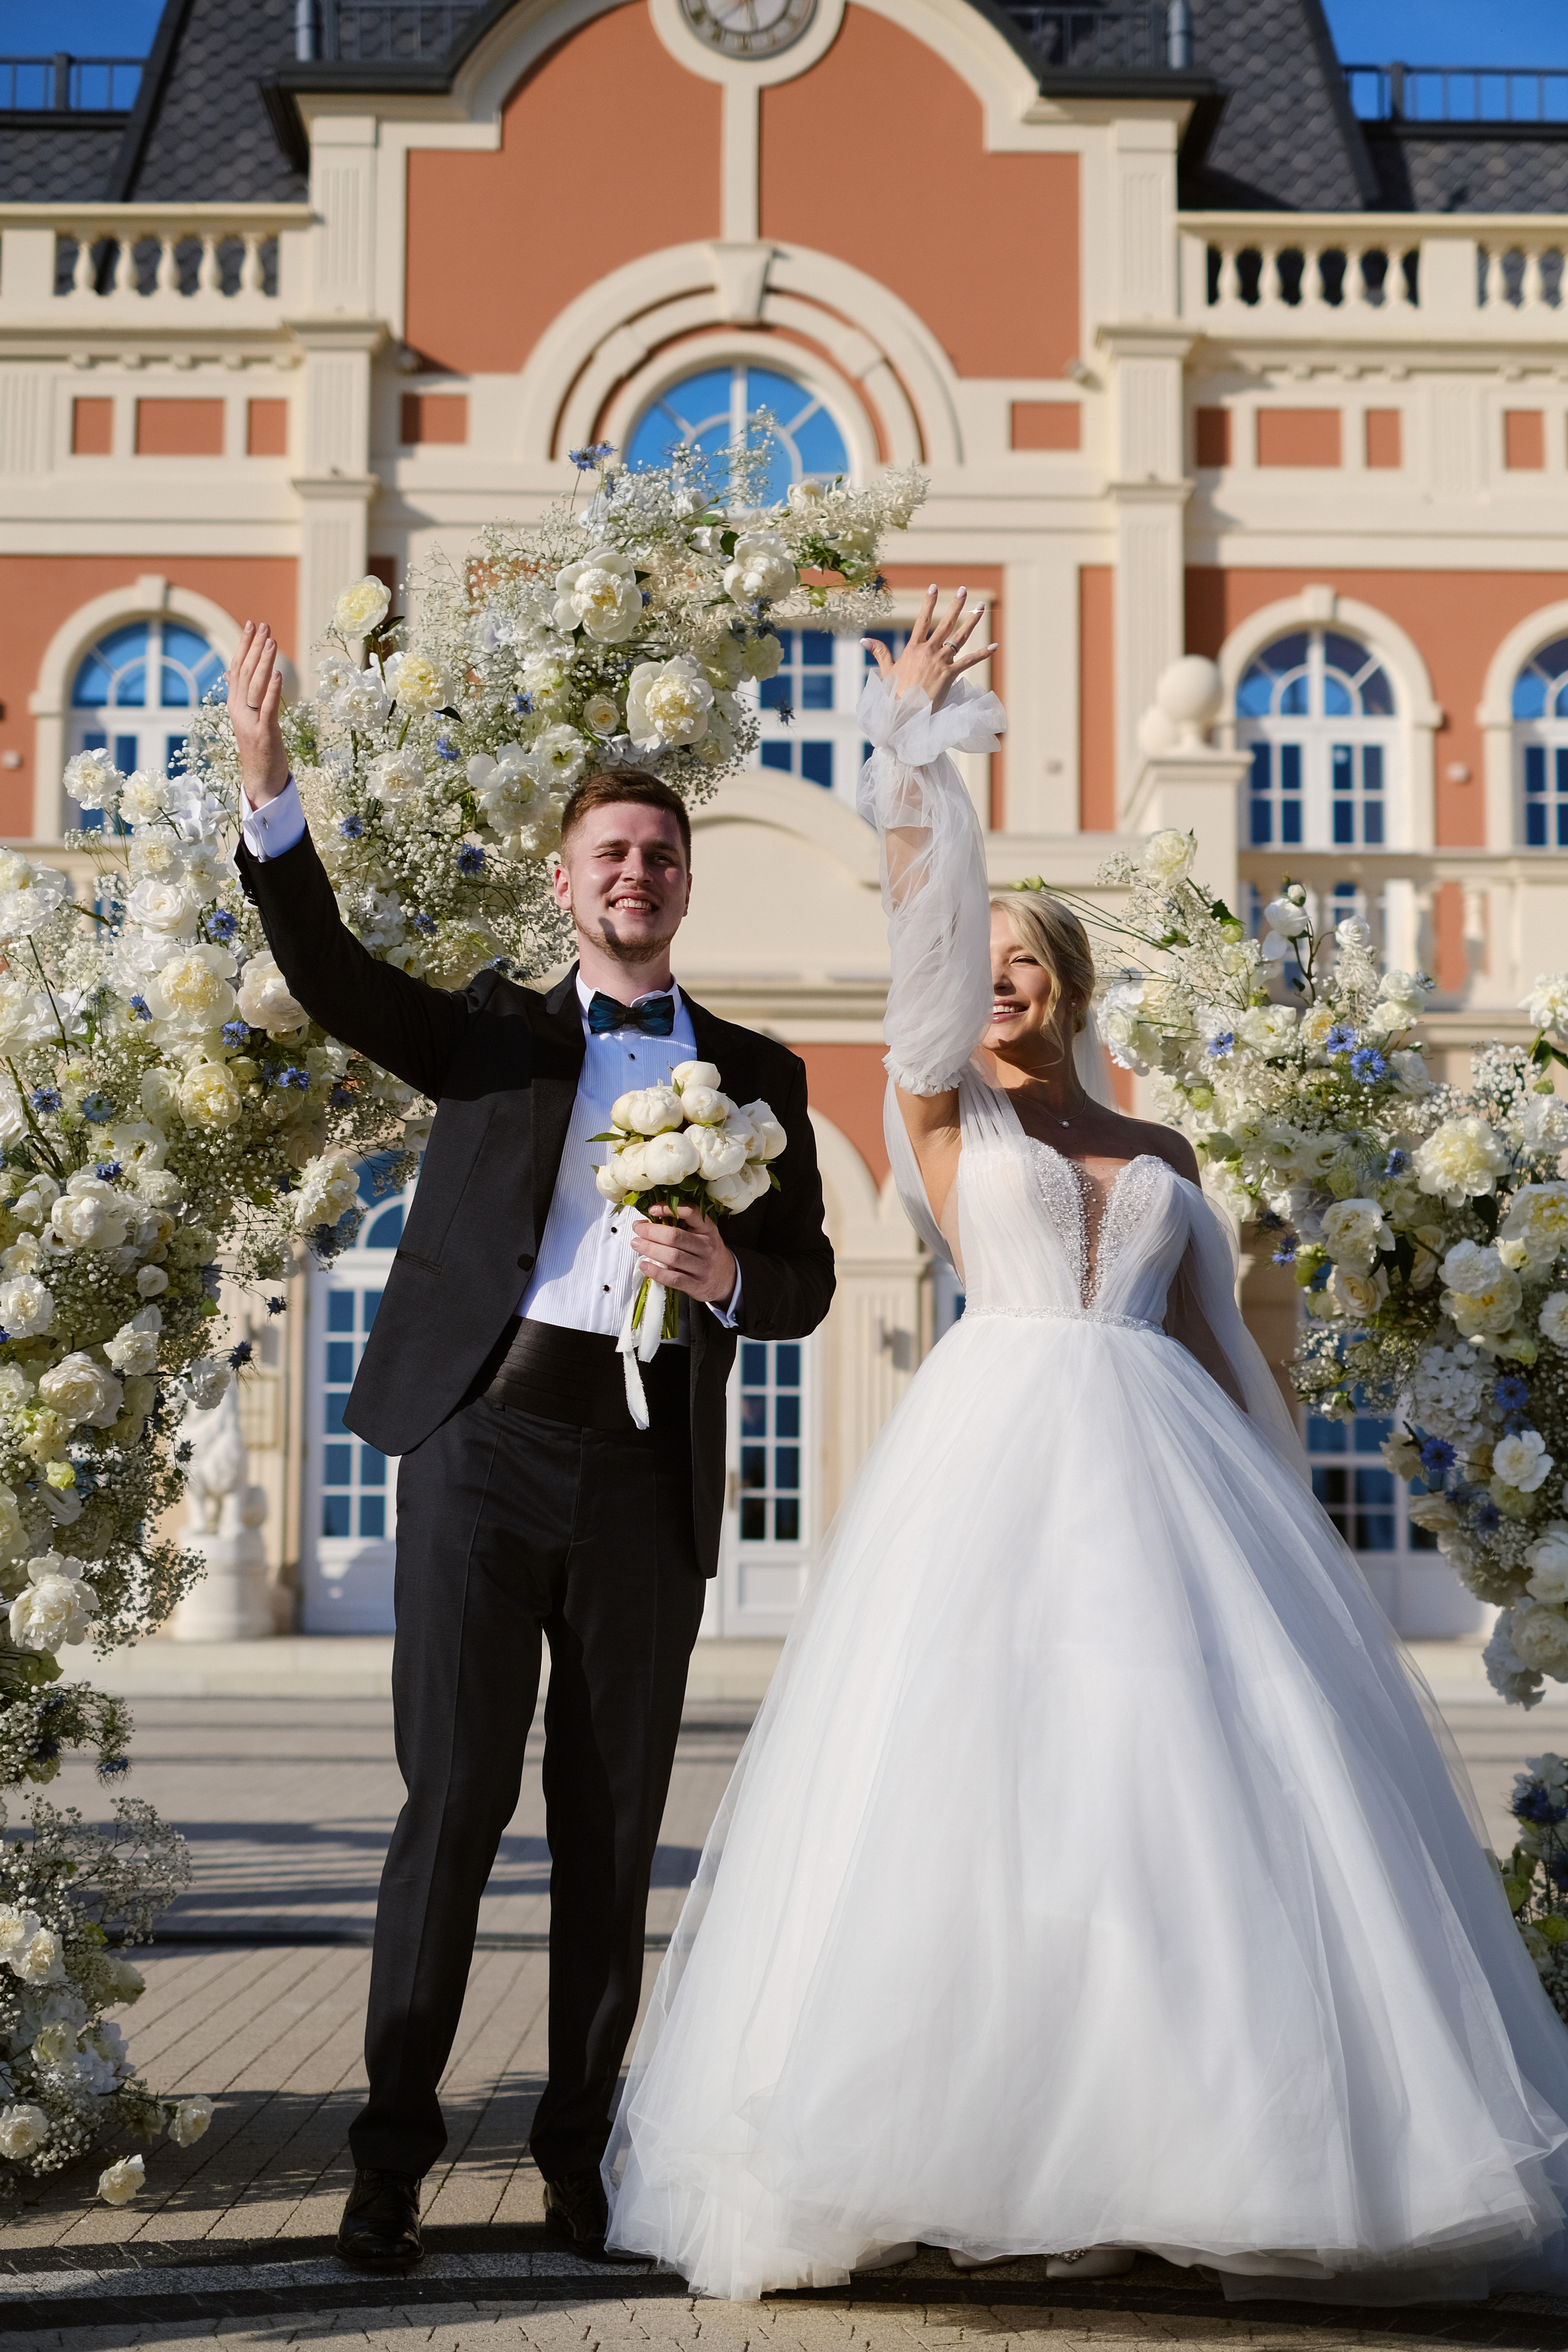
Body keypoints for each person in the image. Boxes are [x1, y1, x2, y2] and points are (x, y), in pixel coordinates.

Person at [602, 588, 1568, 2304]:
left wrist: (1289, 1531)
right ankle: (958, 2163)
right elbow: (922, 950)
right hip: (1000, 1466)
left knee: (1173, 1800)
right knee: (986, 1792)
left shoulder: (1162, 1147)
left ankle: (1188, 2166)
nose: (996, 983)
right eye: (981, 964)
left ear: (1071, 984)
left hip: (1172, 1485)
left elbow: (1215, 1347)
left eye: (1025, 963)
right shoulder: (936, 1105)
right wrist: (919, 760)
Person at [224, 621, 835, 2276]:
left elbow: (807, 1284)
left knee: (612, 1825)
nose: (636, 875)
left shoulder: (759, 1077)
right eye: (610, 855)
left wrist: (729, 1277)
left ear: (686, 887)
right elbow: (329, 974)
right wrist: (272, 795)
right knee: (452, 1803)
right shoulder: (491, 1034)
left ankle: (581, 2168)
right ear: (567, 885)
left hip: (645, 1472)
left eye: (660, 856)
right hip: (483, 1449)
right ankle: (387, 2171)